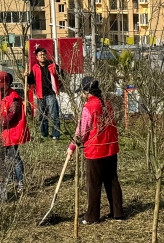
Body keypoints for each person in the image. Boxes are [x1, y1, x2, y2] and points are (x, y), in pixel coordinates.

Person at [69, 78, 124, 223]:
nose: (81, 94)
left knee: (94, 184)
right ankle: (117, 213)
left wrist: (72, 146)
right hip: (111, 147)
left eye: (82, 91)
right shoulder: (108, 104)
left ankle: (92, 217)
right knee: (112, 180)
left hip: (96, 150)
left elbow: (83, 130)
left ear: (87, 92)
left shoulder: (89, 107)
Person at [0, 71, 29, 195]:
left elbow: (12, 115)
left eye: (1, 87)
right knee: (1, 157)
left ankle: (20, 183)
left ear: (8, 84)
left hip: (12, 132)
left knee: (14, 158)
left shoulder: (14, 98)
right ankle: (8, 179)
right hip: (2, 133)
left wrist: (0, 124)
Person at [26, 45, 66, 140]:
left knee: (54, 114)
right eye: (40, 55)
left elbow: (62, 75)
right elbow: (31, 81)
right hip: (40, 95)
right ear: (37, 57)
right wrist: (27, 77)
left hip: (51, 94)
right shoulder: (35, 68)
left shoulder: (52, 66)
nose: (43, 56)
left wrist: (58, 86)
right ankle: (44, 133)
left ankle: (56, 134)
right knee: (43, 115)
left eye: (44, 54)